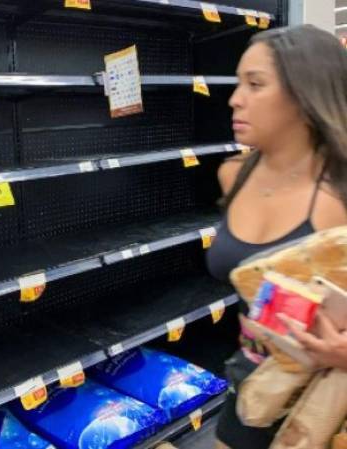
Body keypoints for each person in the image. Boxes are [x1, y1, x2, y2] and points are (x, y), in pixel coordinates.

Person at [206, 25, 347, 449]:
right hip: (252, 380)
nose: (234, 98)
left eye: (255, 84)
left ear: (306, 98)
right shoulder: (233, 175)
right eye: (237, 83)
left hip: (329, 405)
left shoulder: (339, 192)